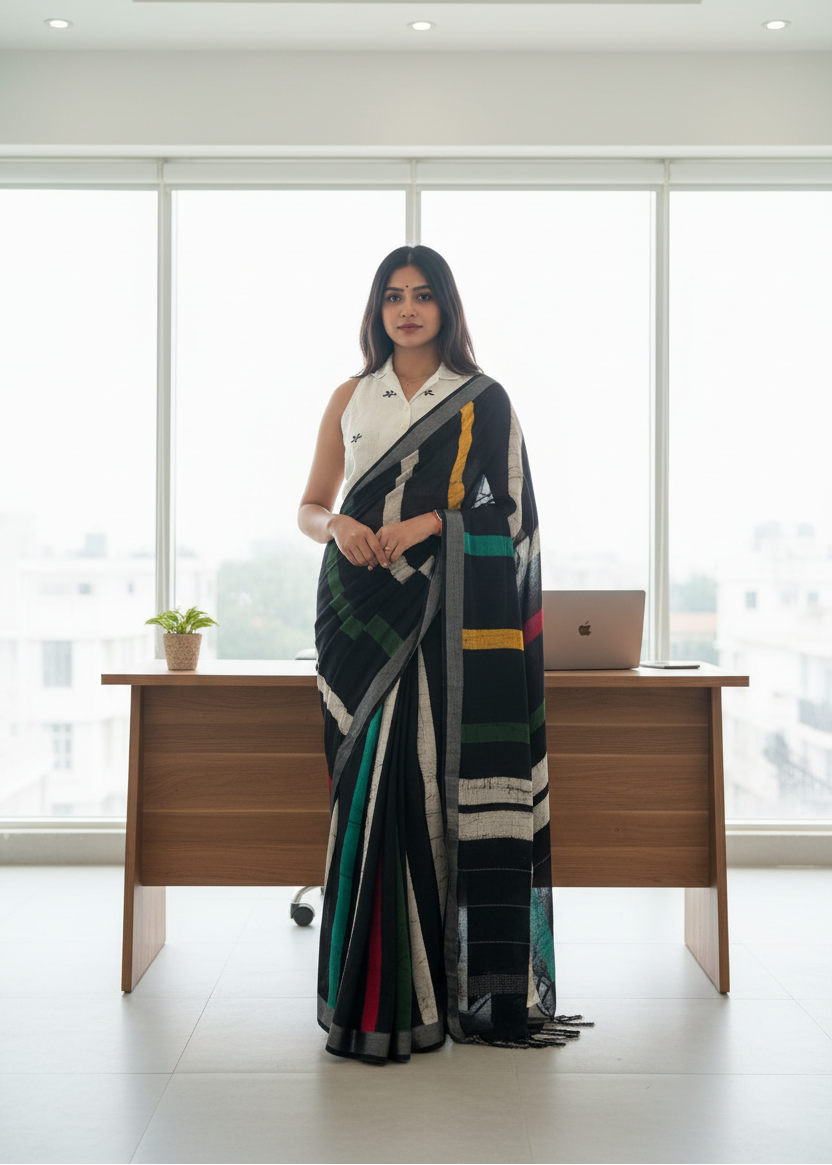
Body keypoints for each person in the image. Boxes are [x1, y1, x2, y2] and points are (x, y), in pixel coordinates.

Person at [298, 244, 586, 1064]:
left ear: (447, 308)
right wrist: (341, 526)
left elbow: (511, 518)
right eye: (393, 295)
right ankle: (366, 995)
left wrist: (433, 525)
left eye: (424, 295)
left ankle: (435, 990)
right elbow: (310, 505)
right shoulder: (351, 397)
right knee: (367, 789)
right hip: (357, 613)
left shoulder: (482, 402)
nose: (408, 309)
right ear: (376, 309)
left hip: (445, 616)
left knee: (420, 789)